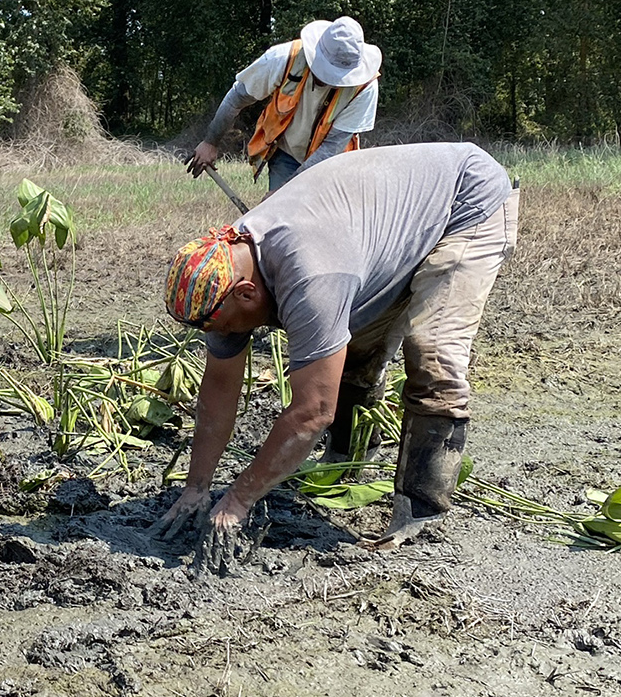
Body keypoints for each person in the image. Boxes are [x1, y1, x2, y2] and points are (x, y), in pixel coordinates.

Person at [154, 142, 519, 575]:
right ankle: (346, 462)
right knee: (348, 354)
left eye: (223, 326)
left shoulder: (311, 276)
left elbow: (313, 411)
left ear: (247, 293)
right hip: (380, 226)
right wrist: (198, 486)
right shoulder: (228, 264)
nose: (225, 336)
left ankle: (422, 512)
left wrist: (237, 500)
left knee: (432, 353)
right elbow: (218, 385)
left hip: (465, 202)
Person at [188, 16, 382, 192]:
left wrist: (285, 192)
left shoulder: (365, 88)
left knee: (320, 226)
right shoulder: (283, 59)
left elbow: (331, 148)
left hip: (331, 166)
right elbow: (237, 97)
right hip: (286, 154)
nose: (330, 81)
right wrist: (210, 142)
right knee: (282, 226)